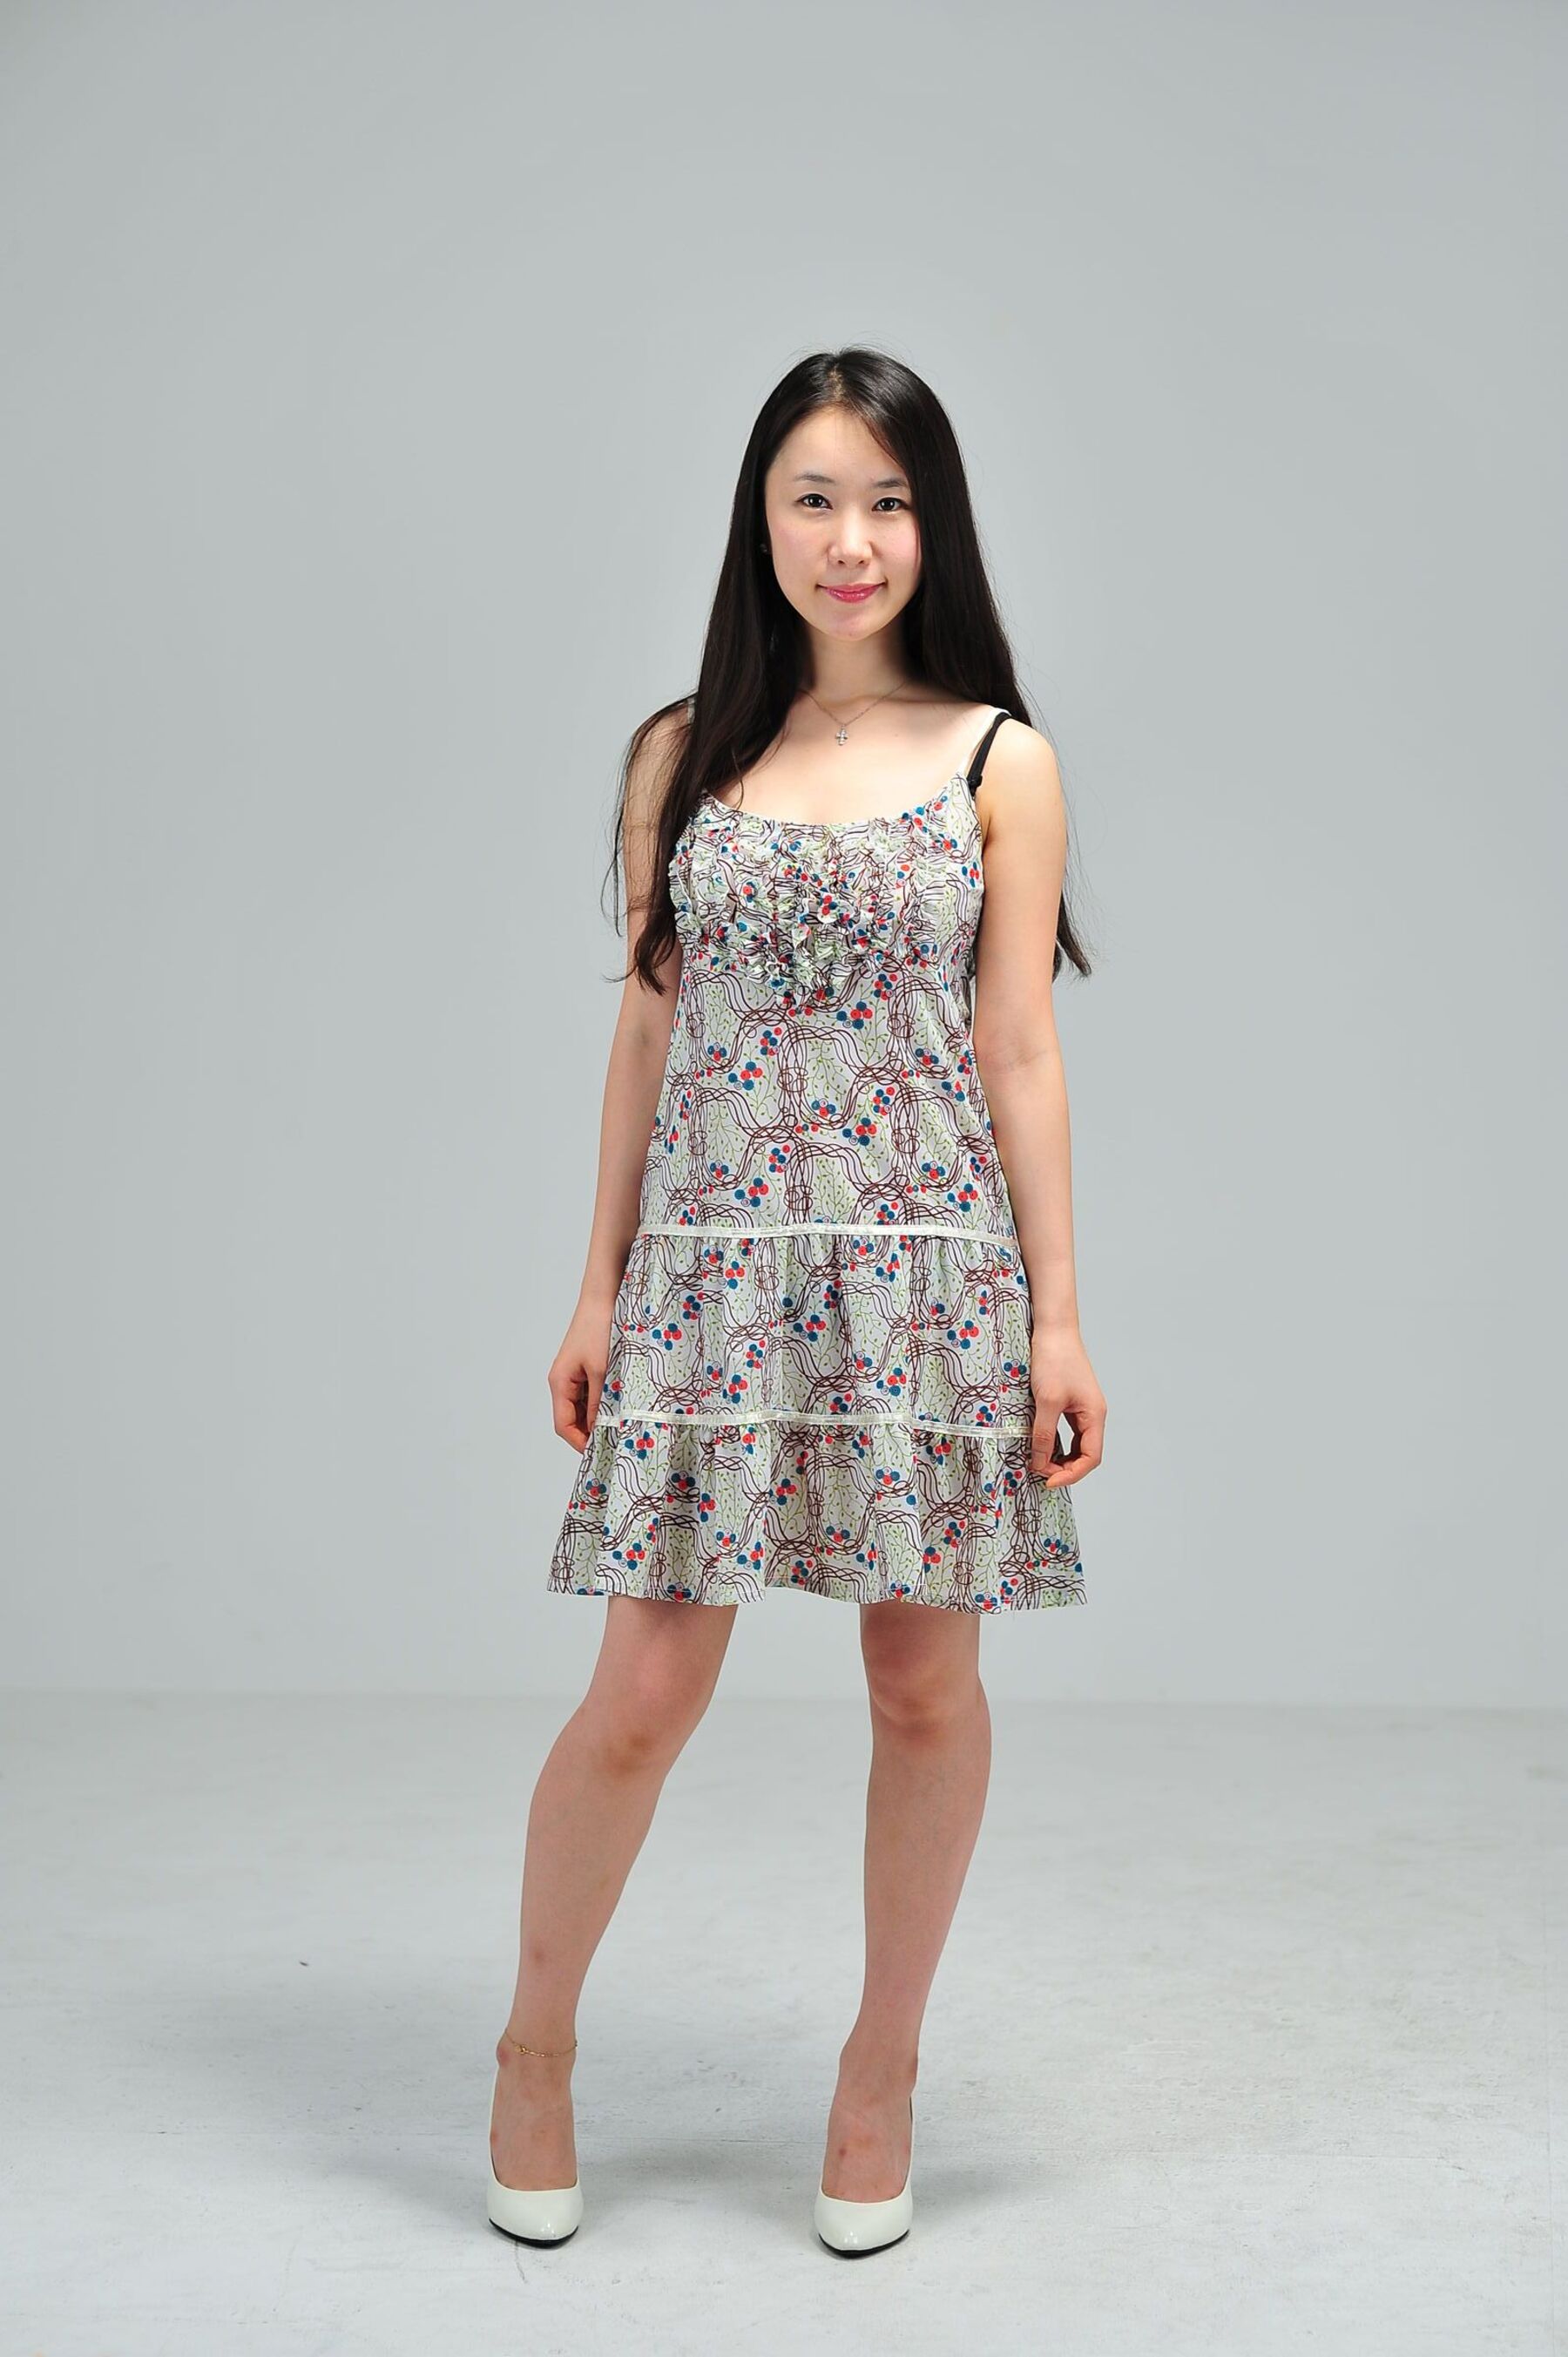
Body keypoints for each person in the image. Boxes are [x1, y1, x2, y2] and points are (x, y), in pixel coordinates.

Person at [487, 347, 1107, 2255]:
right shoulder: (681, 754)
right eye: (816, 499)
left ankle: (880, 2072)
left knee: (924, 1689)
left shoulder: (1001, 760)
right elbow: (646, 1034)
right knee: (641, 1693)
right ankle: (534, 2044)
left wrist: (1059, 1317)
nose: (854, 540)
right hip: (712, 1282)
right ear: (760, 522)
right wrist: (595, 1285)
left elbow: (1019, 1049)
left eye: (890, 502)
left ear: (938, 526)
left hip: (929, 1279)